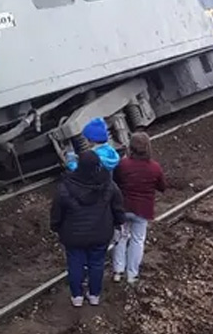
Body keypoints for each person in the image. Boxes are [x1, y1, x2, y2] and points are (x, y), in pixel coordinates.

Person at [50, 150, 126, 307]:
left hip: (73, 235)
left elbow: (57, 211)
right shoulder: (108, 184)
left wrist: (56, 227)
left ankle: (77, 297)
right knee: (97, 264)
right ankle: (94, 295)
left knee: (75, 264)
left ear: (79, 165)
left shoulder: (65, 186)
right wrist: (119, 224)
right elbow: (118, 207)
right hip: (100, 233)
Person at [112, 131, 167, 285]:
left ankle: (117, 271)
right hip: (143, 210)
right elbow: (162, 187)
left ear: (130, 147)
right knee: (137, 240)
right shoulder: (154, 167)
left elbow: (115, 180)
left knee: (120, 238)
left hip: (123, 208)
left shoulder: (123, 164)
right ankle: (132, 275)